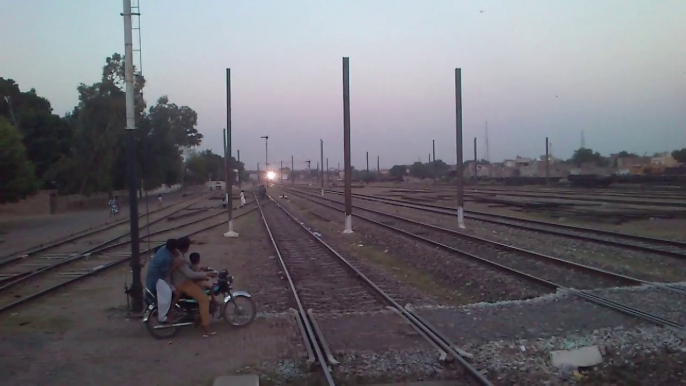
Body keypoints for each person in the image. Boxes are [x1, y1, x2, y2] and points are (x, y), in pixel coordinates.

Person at [170, 237, 217, 337]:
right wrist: (207, 274)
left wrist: (202, 269)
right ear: (186, 247)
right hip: (183, 284)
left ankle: (198, 317)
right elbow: (190, 274)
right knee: (204, 300)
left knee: (205, 287)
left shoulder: (179, 255)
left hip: (183, 281)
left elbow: (190, 266)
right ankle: (206, 330)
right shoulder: (180, 259)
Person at [145, 239, 186, 321]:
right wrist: (176, 264)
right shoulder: (166, 259)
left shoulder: (163, 249)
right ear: (174, 248)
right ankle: (170, 310)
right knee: (177, 293)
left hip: (152, 277)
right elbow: (167, 273)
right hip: (159, 280)